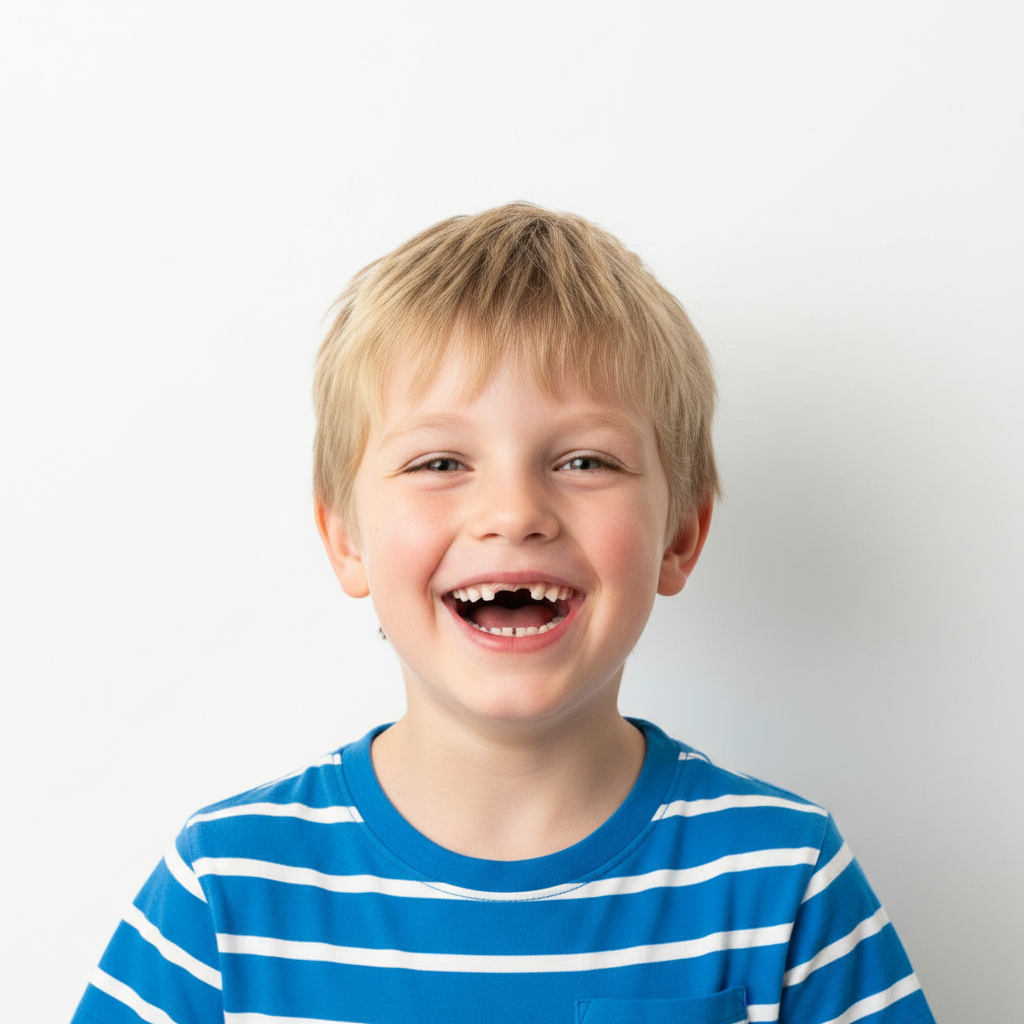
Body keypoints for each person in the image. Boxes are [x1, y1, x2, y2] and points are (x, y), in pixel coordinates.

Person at [71, 204, 935, 1024]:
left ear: (680, 536)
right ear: (346, 539)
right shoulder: (226, 888)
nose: (515, 512)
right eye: (441, 462)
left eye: (585, 461)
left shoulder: (784, 878)